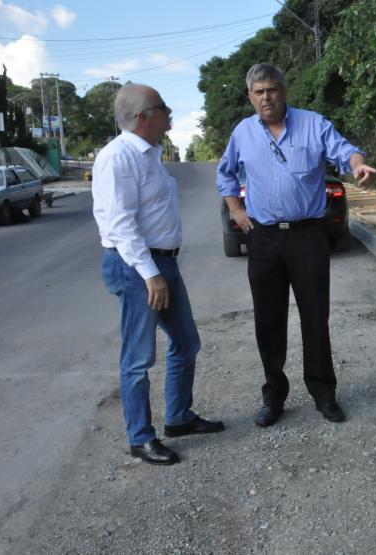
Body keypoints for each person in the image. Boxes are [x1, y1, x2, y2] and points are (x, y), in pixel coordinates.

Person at [216, 63, 376, 427]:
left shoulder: (313, 124)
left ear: (283, 90)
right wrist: (236, 211)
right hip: (265, 239)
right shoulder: (242, 133)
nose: (266, 97)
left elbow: (346, 151)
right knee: (268, 322)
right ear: (250, 96)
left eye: (271, 89)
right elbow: (225, 173)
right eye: (258, 92)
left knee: (315, 317)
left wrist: (359, 166)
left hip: (308, 236)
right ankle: (274, 396)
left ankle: (324, 394)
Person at [93, 83, 224, 466]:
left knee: (186, 342)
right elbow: (120, 225)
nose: (170, 114)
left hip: (161, 263)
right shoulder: (117, 158)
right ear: (142, 117)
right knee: (138, 357)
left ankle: (179, 418)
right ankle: (140, 437)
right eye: (164, 108)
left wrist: (160, 268)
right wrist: (151, 274)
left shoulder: (149, 154)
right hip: (137, 267)